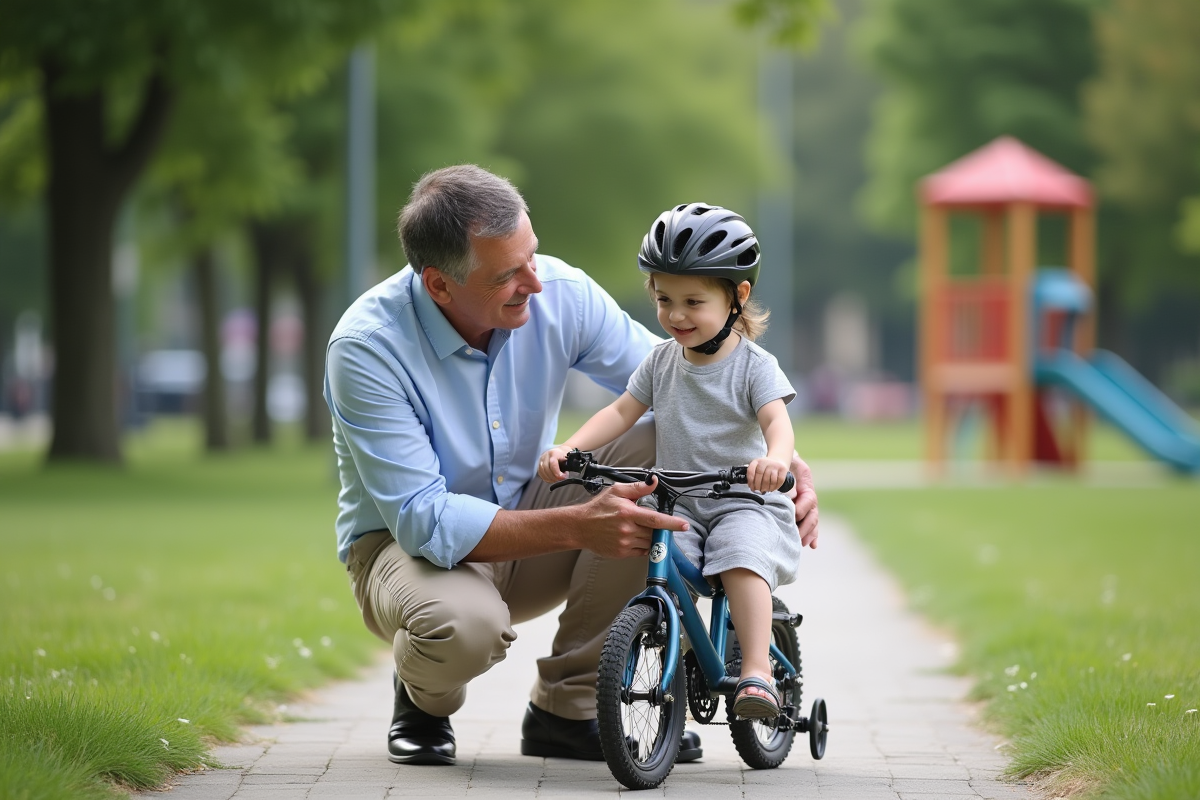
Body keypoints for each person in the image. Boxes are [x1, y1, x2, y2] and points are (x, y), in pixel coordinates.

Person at [323, 166, 820, 767]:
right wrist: (578, 525)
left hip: (529, 513)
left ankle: (572, 707)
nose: (535, 282)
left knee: (662, 445)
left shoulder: (560, 291)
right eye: (508, 274)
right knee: (460, 629)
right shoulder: (367, 348)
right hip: (410, 551)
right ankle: (423, 700)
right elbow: (422, 521)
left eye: (531, 255)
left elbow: (688, 392)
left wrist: (784, 462)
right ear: (439, 285)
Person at [539, 203, 802, 719]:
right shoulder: (661, 360)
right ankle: (669, 650)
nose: (676, 315)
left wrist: (775, 460)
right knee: (646, 555)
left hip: (742, 504)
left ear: (737, 297)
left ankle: (756, 671)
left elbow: (777, 422)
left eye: (693, 301)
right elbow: (620, 411)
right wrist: (571, 449)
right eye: (664, 299)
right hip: (681, 503)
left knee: (742, 556)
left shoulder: (753, 366)